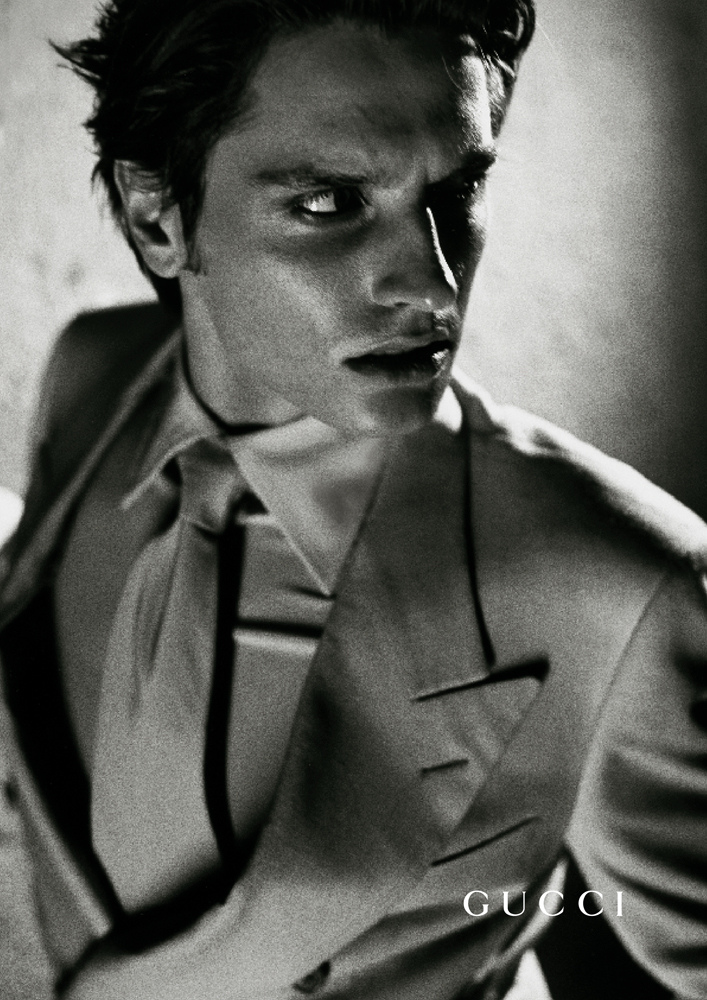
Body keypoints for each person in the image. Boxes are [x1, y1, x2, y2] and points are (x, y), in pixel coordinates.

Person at [0, 0, 705, 997]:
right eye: (330, 203)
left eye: (457, 188)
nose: (434, 287)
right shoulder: (93, 376)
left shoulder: (615, 584)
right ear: (158, 218)